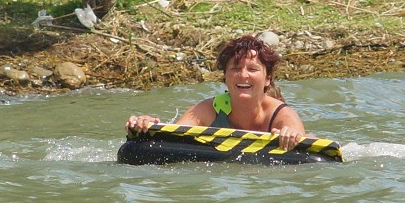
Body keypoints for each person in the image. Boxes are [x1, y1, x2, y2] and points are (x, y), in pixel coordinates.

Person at [125, 35, 309, 151]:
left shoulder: (280, 113)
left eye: (252, 69)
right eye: (235, 68)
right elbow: (169, 138)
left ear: (267, 78)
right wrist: (145, 125)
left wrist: (290, 135)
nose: (243, 75)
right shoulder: (208, 110)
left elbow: (298, 135)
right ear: (225, 77)